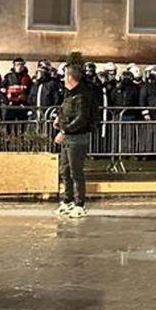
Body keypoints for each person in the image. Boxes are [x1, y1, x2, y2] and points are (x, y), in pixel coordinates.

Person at [54, 64, 95, 218]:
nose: (63, 79)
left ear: (70, 78)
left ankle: (80, 203)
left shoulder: (82, 95)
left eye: (65, 76)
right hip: (68, 137)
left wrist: (64, 131)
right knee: (64, 170)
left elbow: (81, 119)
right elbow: (66, 110)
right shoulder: (69, 94)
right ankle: (67, 200)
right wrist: (59, 119)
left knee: (76, 171)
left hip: (77, 138)